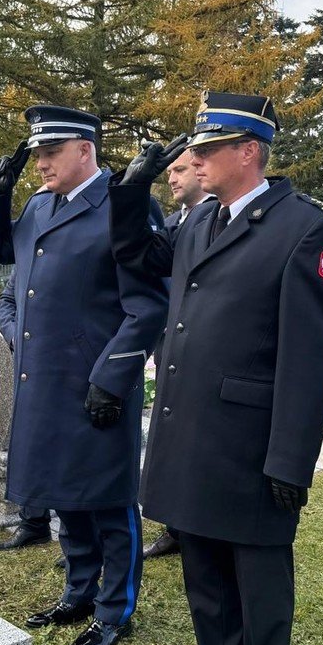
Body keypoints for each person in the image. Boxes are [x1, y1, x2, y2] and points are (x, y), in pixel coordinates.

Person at [108, 91, 323, 645]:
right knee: (204, 567)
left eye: (209, 149)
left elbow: (311, 358)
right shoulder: (199, 220)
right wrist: (130, 193)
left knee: (257, 577)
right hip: (191, 426)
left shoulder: (306, 229)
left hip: (250, 439)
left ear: (248, 152)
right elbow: (137, 257)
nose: (195, 159)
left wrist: (290, 459)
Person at [0, 104, 168, 645]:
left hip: (95, 382)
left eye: (51, 152)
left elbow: (149, 305)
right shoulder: (41, 204)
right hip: (44, 379)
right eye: (36, 153)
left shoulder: (124, 204)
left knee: (108, 499)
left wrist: (113, 375)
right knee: (66, 494)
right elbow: (0, 250)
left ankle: (114, 608)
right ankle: (78, 592)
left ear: (86, 150)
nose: (41, 163)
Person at [144, 149, 215, 561]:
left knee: (198, 441)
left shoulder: (220, 220)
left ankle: (197, 526)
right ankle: (175, 527)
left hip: (204, 350)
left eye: (180, 169)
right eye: (168, 171)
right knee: (170, 439)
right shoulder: (171, 224)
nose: (171, 178)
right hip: (169, 344)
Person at [0, 269, 53, 551]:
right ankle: (34, 522)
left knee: (70, 450)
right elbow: (6, 300)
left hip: (72, 363)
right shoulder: (30, 251)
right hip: (30, 366)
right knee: (31, 444)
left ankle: (82, 536)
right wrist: (15, 336)